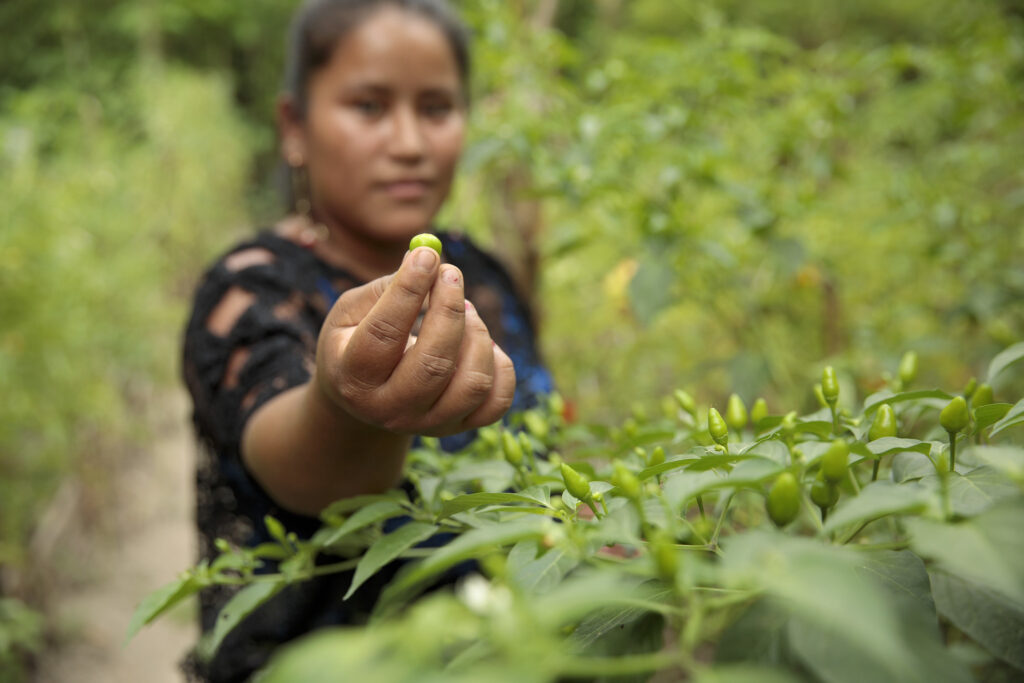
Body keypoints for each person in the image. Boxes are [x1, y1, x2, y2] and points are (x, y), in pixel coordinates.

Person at [180, 0, 553, 680]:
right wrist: (346, 401)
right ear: (295, 127)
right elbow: (295, 455)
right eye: (369, 106)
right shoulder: (250, 292)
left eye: (437, 108)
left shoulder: (490, 277)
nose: (410, 142)